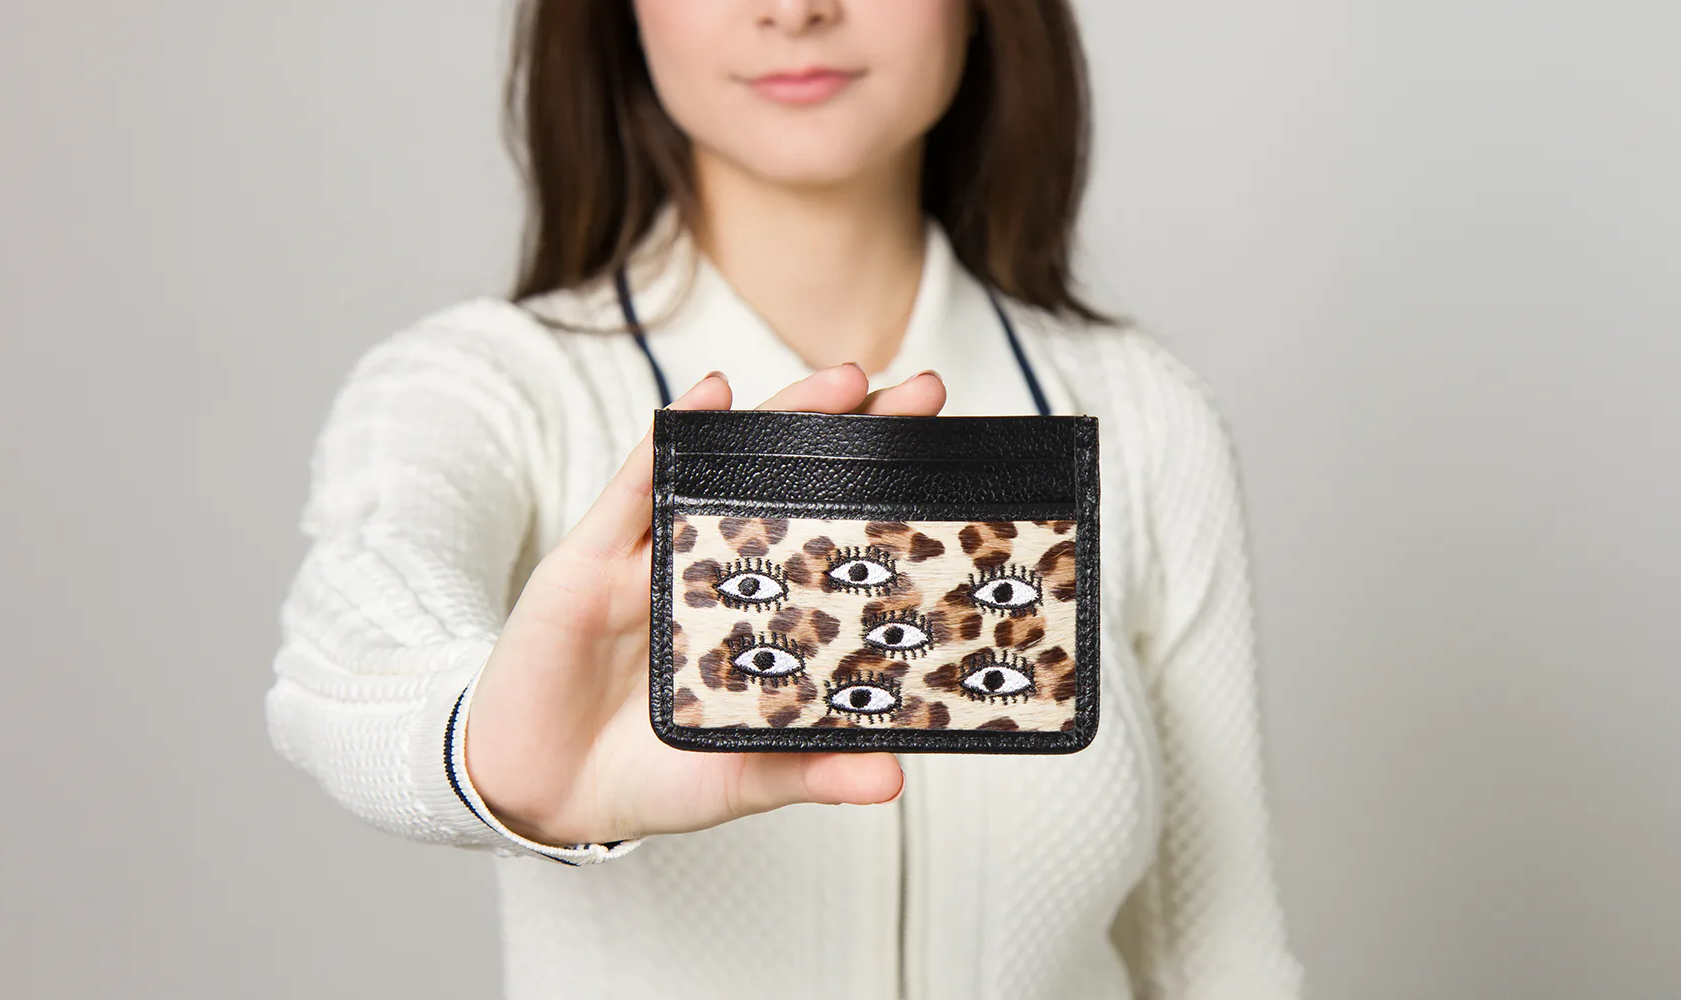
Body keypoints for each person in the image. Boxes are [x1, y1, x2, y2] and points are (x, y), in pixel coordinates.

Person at [263, 1, 1307, 997]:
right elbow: (346, 642)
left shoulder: (1140, 413)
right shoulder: (491, 388)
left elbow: (1222, 961)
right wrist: (484, 743)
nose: (795, 10)